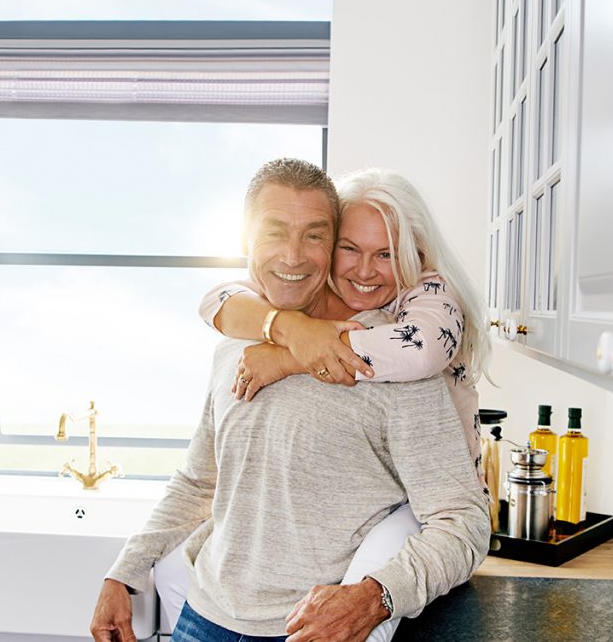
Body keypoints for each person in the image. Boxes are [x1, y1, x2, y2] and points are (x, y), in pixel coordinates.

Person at [89, 158, 489, 642]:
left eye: (314, 236)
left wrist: (372, 599)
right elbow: (199, 481)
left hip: (314, 629)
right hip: (203, 618)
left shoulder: (401, 361)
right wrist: (123, 572)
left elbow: (462, 522)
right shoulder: (235, 343)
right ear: (244, 241)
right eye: (276, 232)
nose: (294, 257)